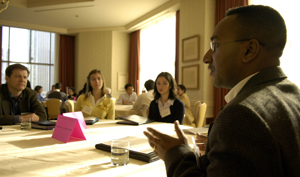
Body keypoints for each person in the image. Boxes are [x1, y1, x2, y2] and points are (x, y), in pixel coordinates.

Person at [144, 5, 300, 176]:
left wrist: (175, 153)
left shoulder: (242, 115)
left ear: (249, 50)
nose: (205, 57)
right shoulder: (293, 94)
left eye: (215, 45)